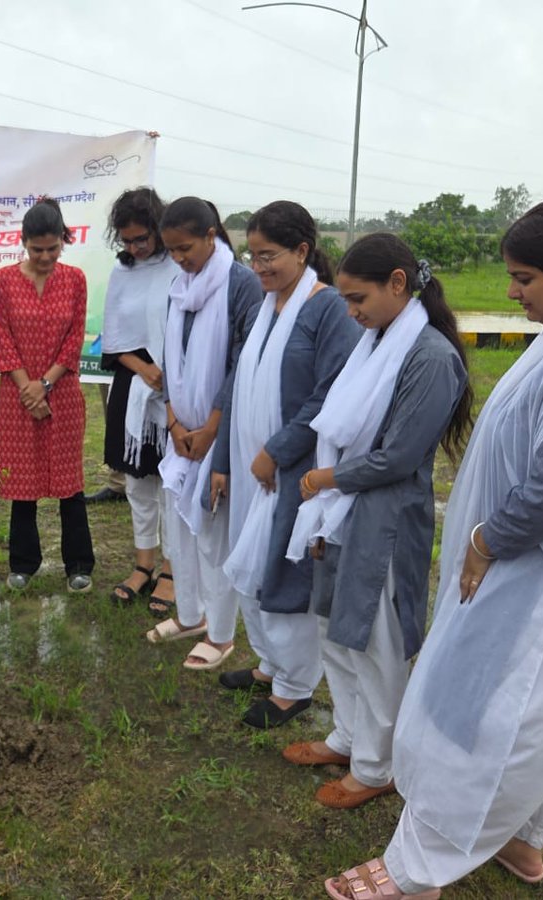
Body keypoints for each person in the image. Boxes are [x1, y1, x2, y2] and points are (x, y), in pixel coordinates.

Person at [325, 199, 543, 899]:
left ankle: (418, 868)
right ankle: (520, 838)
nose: (512, 292)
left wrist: (484, 538)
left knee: (497, 716)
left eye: (524, 278)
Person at [282, 232, 472, 810]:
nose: (351, 312)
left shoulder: (430, 357)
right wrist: (325, 493)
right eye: (344, 299)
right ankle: (348, 737)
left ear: (398, 283)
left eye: (358, 298)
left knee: (378, 644)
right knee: (335, 633)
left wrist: (322, 482)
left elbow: (397, 457)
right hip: (338, 514)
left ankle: (376, 766)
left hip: (383, 520)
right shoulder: (377, 340)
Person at [211, 201, 361, 727]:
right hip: (253, 465)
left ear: (302, 251)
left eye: (269, 256)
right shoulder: (262, 306)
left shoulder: (328, 310)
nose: (259, 268)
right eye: (252, 257)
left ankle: (295, 685)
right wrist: (226, 457)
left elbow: (329, 396)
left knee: (283, 569)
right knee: (250, 564)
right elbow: (237, 388)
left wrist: (277, 451)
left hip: (292, 469)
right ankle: (271, 664)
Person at [145, 196, 263, 671]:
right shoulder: (181, 284)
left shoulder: (241, 285)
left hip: (222, 433)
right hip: (182, 432)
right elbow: (171, 359)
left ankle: (221, 633)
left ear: (211, 236)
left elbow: (242, 362)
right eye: (171, 250)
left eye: (185, 247)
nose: (179, 258)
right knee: (180, 525)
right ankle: (190, 615)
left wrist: (213, 426)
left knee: (214, 532)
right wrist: (174, 419)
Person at [0, 198, 95, 593]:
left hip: (62, 393)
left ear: (63, 242)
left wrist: (45, 385)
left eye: (53, 248)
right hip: (17, 398)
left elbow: (74, 340)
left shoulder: (75, 280)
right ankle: (23, 562)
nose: (46, 257)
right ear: (23, 242)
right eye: (38, 250)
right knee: (23, 482)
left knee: (69, 481)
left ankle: (79, 564)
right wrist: (27, 389)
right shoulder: (3, 280)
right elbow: (3, 338)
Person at [98, 188, 180, 607]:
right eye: (127, 240)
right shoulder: (122, 271)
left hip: (176, 385)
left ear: (159, 231)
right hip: (133, 383)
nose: (134, 247)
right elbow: (112, 340)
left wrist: (165, 373)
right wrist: (143, 368)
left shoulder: (178, 266)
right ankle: (143, 563)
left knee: (169, 482)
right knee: (137, 481)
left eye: (142, 239)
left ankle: (172, 569)